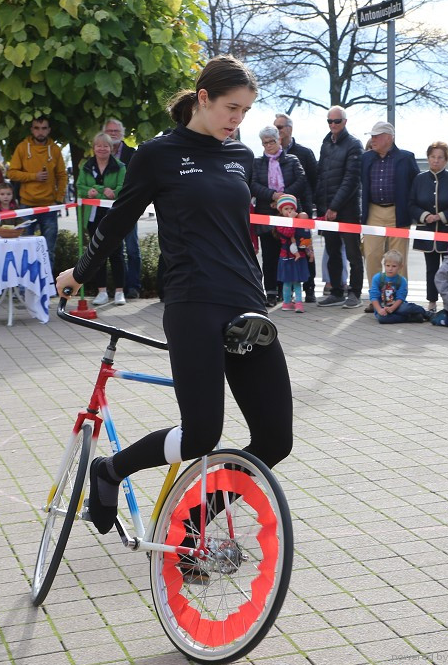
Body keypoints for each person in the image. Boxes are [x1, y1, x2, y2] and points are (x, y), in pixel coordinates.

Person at [54, 55, 292, 537]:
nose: (237, 120)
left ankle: (189, 526)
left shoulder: (239, 156)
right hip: (192, 302)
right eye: (231, 107)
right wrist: (80, 273)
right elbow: (117, 221)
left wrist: (281, 201)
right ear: (202, 99)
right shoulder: (157, 155)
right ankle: (109, 471)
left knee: (274, 440)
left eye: (245, 111)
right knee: (202, 432)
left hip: (246, 304)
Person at [250, 126, 309, 306]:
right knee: (269, 255)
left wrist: (284, 199)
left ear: (279, 141)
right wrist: (272, 195)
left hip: (290, 212)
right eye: (265, 143)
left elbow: (301, 180)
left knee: (292, 252)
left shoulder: (292, 160)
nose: (268, 146)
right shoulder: (257, 162)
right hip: (266, 212)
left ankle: (289, 292)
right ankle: (270, 292)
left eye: (271, 141)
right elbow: (252, 184)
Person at [315, 105, 364, 308]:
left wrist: (335, 206)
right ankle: (336, 291)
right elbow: (321, 175)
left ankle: (355, 293)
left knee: (353, 254)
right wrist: (321, 206)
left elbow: (351, 179)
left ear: (344, 122)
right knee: (332, 251)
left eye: (336, 121)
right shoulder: (326, 143)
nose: (333, 125)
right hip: (327, 210)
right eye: (329, 121)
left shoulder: (354, 144)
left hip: (348, 210)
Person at [410, 141, 448, 314]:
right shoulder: (419, 179)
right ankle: (432, 302)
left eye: (440, 157)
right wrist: (425, 216)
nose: (436, 161)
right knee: (431, 269)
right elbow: (411, 204)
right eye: (433, 157)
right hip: (427, 232)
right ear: (428, 158)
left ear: (446, 160)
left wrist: (441, 216)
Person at [360, 122, 419, 285]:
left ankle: (398, 298)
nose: (373, 139)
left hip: (397, 213)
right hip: (373, 212)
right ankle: (376, 296)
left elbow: (416, 185)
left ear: (389, 137)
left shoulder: (406, 158)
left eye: (376, 136)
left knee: (398, 258)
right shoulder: (366, 158)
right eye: (371, 136)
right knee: (371, 255)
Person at [7, 117, 67, 271]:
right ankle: (23, 288)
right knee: (24, 250)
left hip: (49, 207)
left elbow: (62, 175)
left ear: (49, 130)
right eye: (37, 128)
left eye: (44, 128)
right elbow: (12, 173)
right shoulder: (22, 147)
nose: (40, 132)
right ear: (32, 130)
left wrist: (59, 199)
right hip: (27, 206)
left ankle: (48, 286)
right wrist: (34, 176)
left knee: (49, 250)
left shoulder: (55, 149)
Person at [76, 132, 127, 306]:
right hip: (92, 215)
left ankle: (119, 291)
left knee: (117, 253)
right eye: (98, 145)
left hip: (113, 215)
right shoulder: (86, 166)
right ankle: (101, 291)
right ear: (93, 148)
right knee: (96, 255)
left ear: (111, 148)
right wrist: (93, 190)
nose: (102, 149)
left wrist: (114, 192)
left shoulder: (120, 166)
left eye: (106, 146)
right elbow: (80, 187)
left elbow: (124, 187)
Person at [274, 113, 318, 301]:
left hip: (301, 212)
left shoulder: (304, 152)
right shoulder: (272, 155)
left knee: (305, 247)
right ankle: (286, 291)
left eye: (280, 127)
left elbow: (313, 179)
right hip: (282, 213)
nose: (278, 131)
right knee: (286, 250)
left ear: (290, 129)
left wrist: (306, 205)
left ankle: (309, 289)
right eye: (275, 127)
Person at [102, 118, 143, 299]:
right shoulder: (100, 153)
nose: (113, 134)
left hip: (129, 208)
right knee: (112, 250)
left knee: (132, 249)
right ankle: (117, 288)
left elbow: (138, 181)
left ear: (123, 134)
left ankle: (133, 287)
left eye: (116, 131)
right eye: (109, 131)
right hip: (105, 210)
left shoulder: (132, 153)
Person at [273, 193, 312, 313]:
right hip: (286, 257)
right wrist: (292, 221)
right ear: (281, 210)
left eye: (291, 209)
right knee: (287, 281)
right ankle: (286, 302)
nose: (289, 211)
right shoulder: (280, 223)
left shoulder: (299, 220)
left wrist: (309, 251)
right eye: (286, 209)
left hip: (299, 256)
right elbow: (288, 233)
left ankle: (299, 303)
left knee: (297, 282)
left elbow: (305, 237)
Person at [369, 249, 428, 323]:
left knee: (409, 307)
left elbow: (401, 297)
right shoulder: (377, 278)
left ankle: (427, 314)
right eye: (388, 265)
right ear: (384, 265)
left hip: (398, 306)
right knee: (382, 319)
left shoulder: (402, 280)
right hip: (382, 307)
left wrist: (392, 308)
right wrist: (379, 310)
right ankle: (411, 318)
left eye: (394, 266)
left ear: (400, 267)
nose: (390, 269)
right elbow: (373, 296)